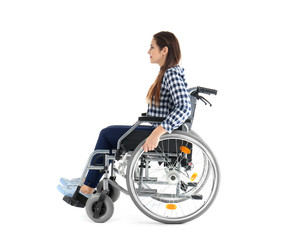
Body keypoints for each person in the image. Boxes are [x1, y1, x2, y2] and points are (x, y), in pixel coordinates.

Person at [57, 31, 192, 197]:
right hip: (159, 130)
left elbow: (185, 108)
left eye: (152, 47)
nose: (148, 51)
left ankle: (86, 188)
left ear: (164, 50)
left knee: (107, 134)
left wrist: (157, 133)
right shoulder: (168, 73)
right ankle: (88, 180)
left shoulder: (171, 74)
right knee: (110, 134)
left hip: (162, 135)